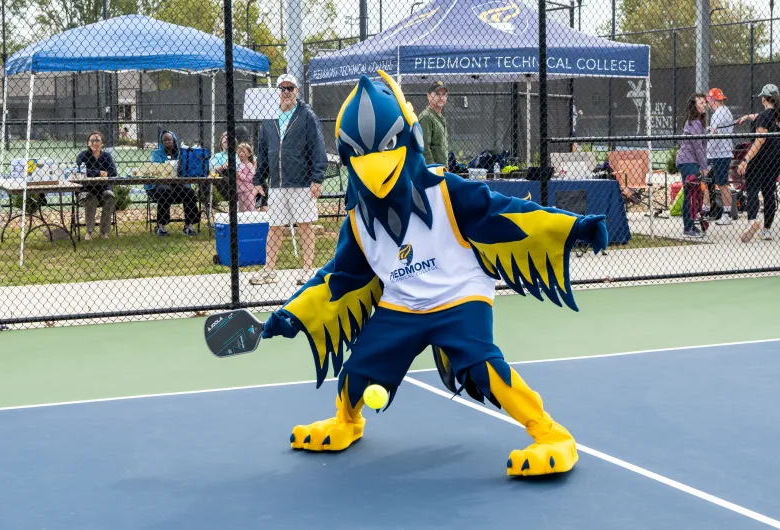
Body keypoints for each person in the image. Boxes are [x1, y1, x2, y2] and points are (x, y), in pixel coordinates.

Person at [258, 70, 608, 477]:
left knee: (482, 366)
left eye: (387, 145)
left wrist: (575, 226)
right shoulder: (357, 221)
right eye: (358, 153)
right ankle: (346, 421)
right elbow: (338, 277)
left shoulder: (446, 191)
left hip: (458, 295)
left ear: (409, 140)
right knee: (357, 371)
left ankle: (551, 435)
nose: (373, 165)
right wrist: (293, 314)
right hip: (402, 304)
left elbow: (510, 214)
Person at [251, 73, 327, 285]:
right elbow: (263, 152)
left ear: (297, 91)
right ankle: (269, 270)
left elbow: (318, 148)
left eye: (290, 88)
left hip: (302, 183)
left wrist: (317, 179)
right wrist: (258, 180)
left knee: (305, 225)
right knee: (274, 227)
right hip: (277, 184)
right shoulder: (268, 118)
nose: (286, 92)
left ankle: (308, 270)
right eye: (282, 88)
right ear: (277, 92)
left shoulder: (307, 116)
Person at [736, 84, 780, 242]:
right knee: (769, 193)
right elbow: (764, 116)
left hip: (759, 159)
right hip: (775, 158)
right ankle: (767, 230)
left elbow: (759, 141)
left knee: (752, 190)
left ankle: (753, 220)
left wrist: (745, 160)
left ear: (764, 99)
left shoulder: (763, 117)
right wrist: (748, 117)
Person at [147, 130, 201, 237]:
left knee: (188, 191)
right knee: (165, 190)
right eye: (164, 140)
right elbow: (157, 170)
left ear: (174, 140)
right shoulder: (156, 153)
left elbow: (185, 169)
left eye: (169, 139)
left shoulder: (181, 153)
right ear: (161, 142)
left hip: (176, 183)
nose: (167, 142)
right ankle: (161, 226)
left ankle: (188, 225)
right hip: (159, 183)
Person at [675, 93, 709, 238]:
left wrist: (708, 132)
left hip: (690, 161)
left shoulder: (697, 122)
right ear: (694, 106)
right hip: (688, 161)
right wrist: (704, 166)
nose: (704, 105)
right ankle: (688, 227)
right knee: (690, 194)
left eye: (704, 103)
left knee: (692, 193)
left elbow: (700, 141)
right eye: (701, 103)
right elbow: (698, 147)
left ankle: (690, 225)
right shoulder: (694, 122)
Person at [75, 131, 117, 240]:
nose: (95, 142)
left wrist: (92, 172)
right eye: (92, 140)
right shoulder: (82, 155)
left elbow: (113, 172)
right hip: (86, 190)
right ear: (88, 143)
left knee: (110, 197)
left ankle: (104, 232)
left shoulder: (107, 156)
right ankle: (89, 231)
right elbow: (80, 171)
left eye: (98, 140)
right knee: (90, 199)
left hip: (104, 189)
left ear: (102, 143)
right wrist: (100, 173)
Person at [705, 88, 735, 225]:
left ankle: (727, 214)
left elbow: (714, 136)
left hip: (719, 154)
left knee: (722, 184)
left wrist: (708, 152)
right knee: (713, 183)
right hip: (723, 152)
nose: (708, 104)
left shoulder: (718, 114)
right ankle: (708, 210)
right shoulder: (726, 111)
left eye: (708, 101)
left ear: (711, 99)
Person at [418, 80, 449, 166]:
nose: (441, 97)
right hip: (433, 171)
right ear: (428, 96)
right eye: (437, 94)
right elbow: (424, 148)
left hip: (441, 169)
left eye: (444, 94)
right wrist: (433, 169)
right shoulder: (426, 117)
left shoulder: (440, 117)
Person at [236, 142, 257, 212]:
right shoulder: (238, 165)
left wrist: (240, 175)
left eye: (243, 152)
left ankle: (253, 221)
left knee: (250, 208)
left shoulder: (250, 165)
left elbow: (251, 178)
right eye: (239, 152)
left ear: (249, 154)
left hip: (248, 190)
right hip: (240, 190)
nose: (241, 153)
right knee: (242, 209)